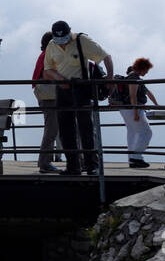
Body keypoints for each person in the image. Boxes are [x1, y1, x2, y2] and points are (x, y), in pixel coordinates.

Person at [42, 20, 112, 176]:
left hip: (81, 87)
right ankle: (73, 167)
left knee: (85, 128)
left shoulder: (82, 40)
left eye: (64, 38)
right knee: (66, 131)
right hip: (63, 90)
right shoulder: (51, 46)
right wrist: (60, 79)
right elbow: (47, 70)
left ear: (69, 33)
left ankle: (92, 166)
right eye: (58, 39)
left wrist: (110, 79)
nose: (62, 43)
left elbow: (106, 57)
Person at [31, 31, 65, 173]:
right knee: (52, 128)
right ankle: (45, 163)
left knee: (52, 128)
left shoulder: (45, 54)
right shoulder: (49, 54)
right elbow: (49, 73)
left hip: (45, 94)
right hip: (49, 95)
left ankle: (45, 162)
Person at [115, 58, 159, 168]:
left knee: (132, 133)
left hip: (126, 109)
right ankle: (136, 157)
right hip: (132, 109)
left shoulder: (136, 78)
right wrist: (135, 112)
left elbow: (148, 93)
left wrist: (156, 104)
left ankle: (132, 159)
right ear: (142, 68)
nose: (147, 72)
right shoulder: (133, 78)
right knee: (146, 132)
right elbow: (133, 96)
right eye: (146, 70)